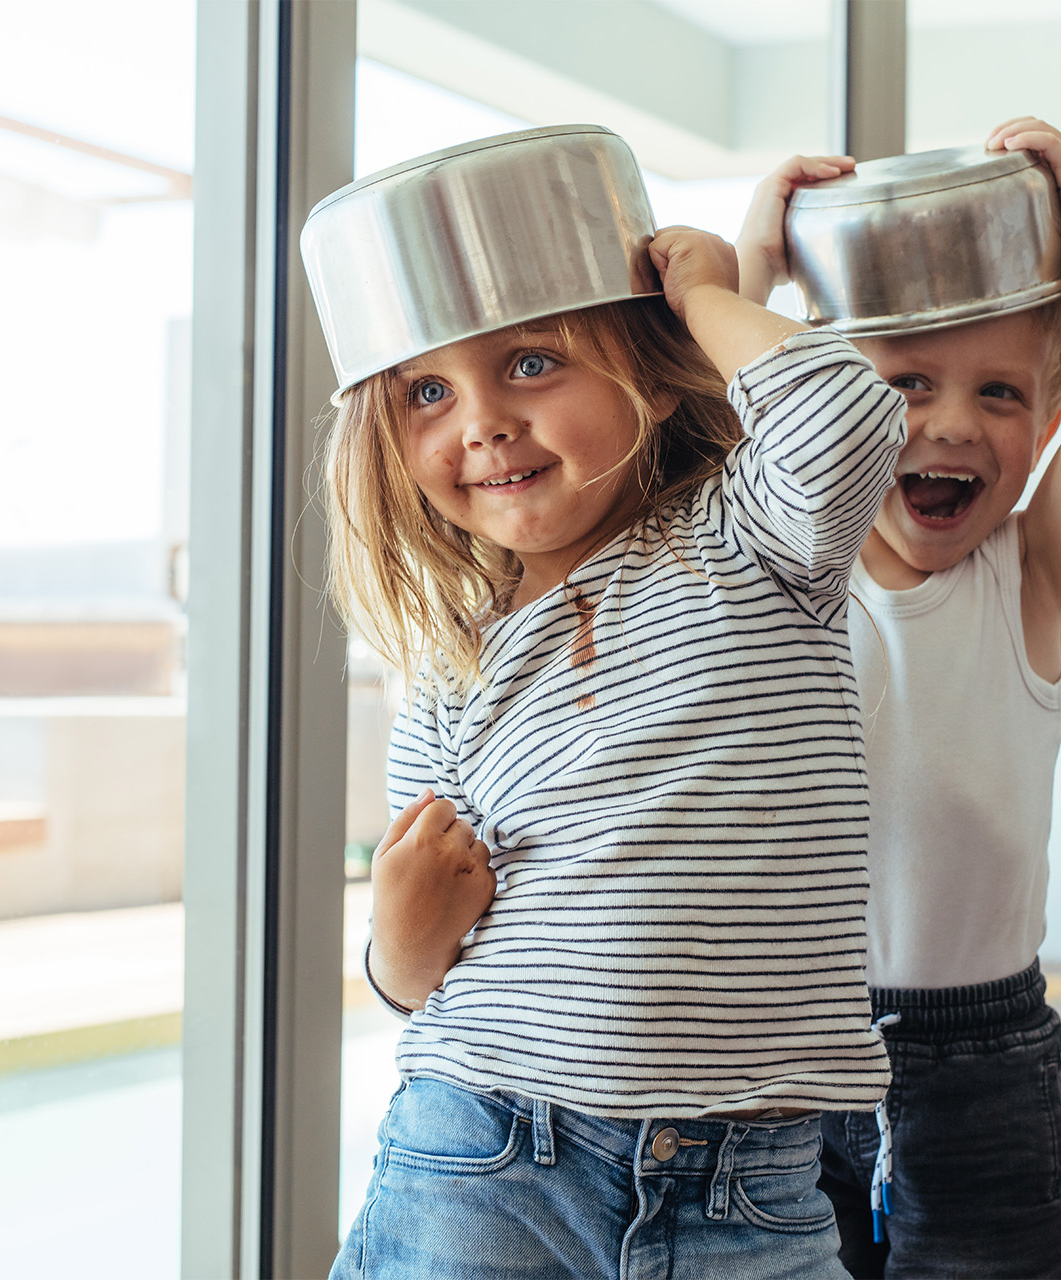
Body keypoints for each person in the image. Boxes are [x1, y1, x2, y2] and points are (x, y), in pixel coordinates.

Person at [320, 152, 911, 1277]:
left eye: (531, 362)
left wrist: (704, 299)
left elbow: (842, 415)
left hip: (755, 1181)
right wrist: (394, 941)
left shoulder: (752, 538)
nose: (484, 423)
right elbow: (418, 968)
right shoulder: (454, 663)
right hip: (487, 1147)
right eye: (427, 393)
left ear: (651, 371)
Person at [737, 116, 1061, 1278]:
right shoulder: (781, 568)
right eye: (905, 384)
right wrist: (752, 268)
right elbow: (712, 424)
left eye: (1001, 391)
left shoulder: (1027, 577)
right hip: (792, 1060)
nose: (955, 422)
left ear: (1046, 419)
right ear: (824, 410)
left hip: (983, 1065)